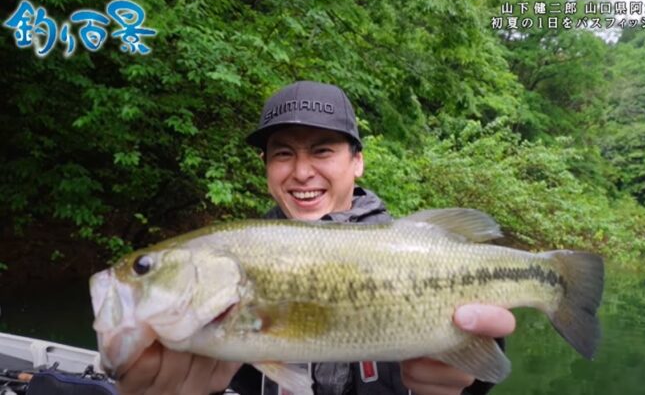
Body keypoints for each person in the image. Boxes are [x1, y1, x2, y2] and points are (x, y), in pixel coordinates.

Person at [116, 81, 516, 395]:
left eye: (322, 151)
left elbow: (470, 374)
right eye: (283, 153)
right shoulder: (229, 274)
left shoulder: (419, 250)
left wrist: (467, 381)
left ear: (357, 161)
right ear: (267, 167)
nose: (302, 172)